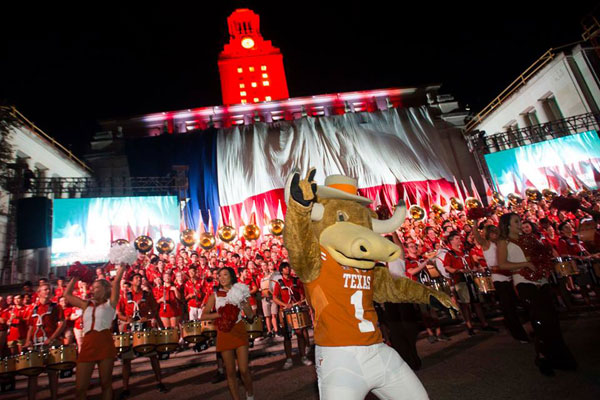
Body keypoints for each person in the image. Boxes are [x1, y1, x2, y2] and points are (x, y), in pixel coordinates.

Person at [497, 213, 577, 376]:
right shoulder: (503, 242)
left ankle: (558, 357)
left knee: (552, 319)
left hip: (541, 282)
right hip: (523, 282)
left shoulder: (530, 239)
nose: (520, 224)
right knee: (540, 320)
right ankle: (543, 357)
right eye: (516, 222)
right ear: (507, 225)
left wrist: (543, 263)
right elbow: (502, 264)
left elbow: (541, 256)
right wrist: (525, 263)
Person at [64, 264, 126, 400]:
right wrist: (75, 277)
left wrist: (122, 266)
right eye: (93, 287)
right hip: (87, 345)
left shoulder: (111, 303)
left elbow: (116, 282)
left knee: (106, 384)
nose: (93, 289)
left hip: (104, 343)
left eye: (97, 287)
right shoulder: (85, 304)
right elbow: (67, 295)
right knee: (80, 388)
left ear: (104, 290)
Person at [201, 267, 255, 400]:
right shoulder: (214, 295)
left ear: (231, 276)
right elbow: (203, 315)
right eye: (219, 276)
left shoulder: (240, 291)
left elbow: (250, 316)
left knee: (243, 369)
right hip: (224, 333)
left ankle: (250, 394)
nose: (222, 277)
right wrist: (219, 314)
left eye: (225, 275)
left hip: (239, 330)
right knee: (230, 372)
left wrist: (245, 304)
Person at [473, 221, 529, 343]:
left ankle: (519, 330)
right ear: (487, 234)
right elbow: (476, 235)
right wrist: (475, 221)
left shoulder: (500, 243)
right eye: (492, 232)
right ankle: (519, 335)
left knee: (515, 305)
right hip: (499, 278)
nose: (494, 234)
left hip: (509, 276)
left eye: (495, 231)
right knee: (509, 308)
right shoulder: (486, 244)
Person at [116, 273, 168, 398]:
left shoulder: (147, 295)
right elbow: (119, 312)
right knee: (126, 359)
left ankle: (159, 382)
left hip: (145, 327)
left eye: (140, 278)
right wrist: (126, 319)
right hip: (130, 329)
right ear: (131, 281)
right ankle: (125, 387)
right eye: (136, 278)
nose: (139, 280)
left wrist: (148, 317)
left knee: (153, 356)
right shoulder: (124, 295)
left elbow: (155, 309)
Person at [442, 231, 498, 335]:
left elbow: (472, 265)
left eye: (459, 238)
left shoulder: (465, 252)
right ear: (451, 241)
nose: (459, 240)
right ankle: (469, 326)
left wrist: (477, 268)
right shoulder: (450, 254)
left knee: (477, 302)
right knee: (465, 304)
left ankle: (484, 324)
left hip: (471, 279)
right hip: (461, 280)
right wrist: (459, 270)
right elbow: (447, 267)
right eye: (457, 238)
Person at [24, 282, 65, 400]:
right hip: (36, 343)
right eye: (45, 289)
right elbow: (31, 327)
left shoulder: (56, 306)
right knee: (33, 374)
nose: (48, 291)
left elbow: (62, 323)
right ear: (39, 293)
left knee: (53, 372)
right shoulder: (33, 309)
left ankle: (54, 397)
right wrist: (28, 341)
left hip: (50, 342)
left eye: (49, 289)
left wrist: (52, 338)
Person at [272, 262, 312, 369]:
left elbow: (302, 294)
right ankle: (289, 359)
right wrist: (285, 305)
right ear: (281, 271)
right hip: (284, 312)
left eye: (288, 267)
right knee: (286, 336)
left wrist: (300, 301)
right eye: (285, 268)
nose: (288, 269)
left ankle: (303, 356)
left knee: (300, 333)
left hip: (296, 309)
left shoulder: (296, 280)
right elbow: (275, 298)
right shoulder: (279, 283)